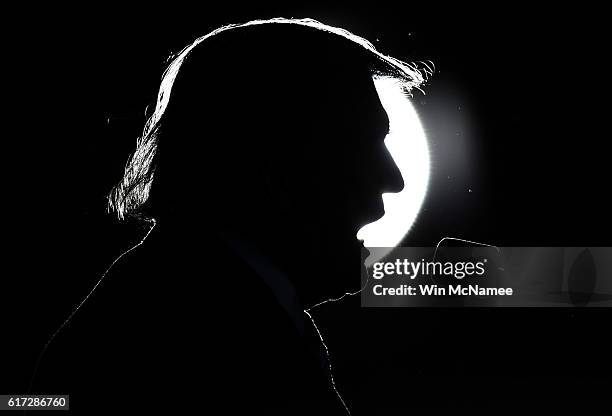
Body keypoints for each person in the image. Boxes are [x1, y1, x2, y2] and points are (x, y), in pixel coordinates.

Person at [32, 18, 427, 414]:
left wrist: (477, 280)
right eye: (362, 145)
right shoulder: (211, 345)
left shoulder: (183, 300)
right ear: (276, 166)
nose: (393, 181)